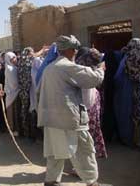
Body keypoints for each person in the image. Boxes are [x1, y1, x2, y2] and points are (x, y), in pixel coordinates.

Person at [37, 35, 105, 186]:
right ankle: (92, 181)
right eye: (74, 49)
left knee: (55, 153)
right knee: (84, 151)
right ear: (68, 50)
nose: (75, 52)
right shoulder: (67, 66)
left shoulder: (49, 68)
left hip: (51, 119)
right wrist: (101, 69)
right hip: (70, 120)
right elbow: (94, 79)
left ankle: (51, 181)